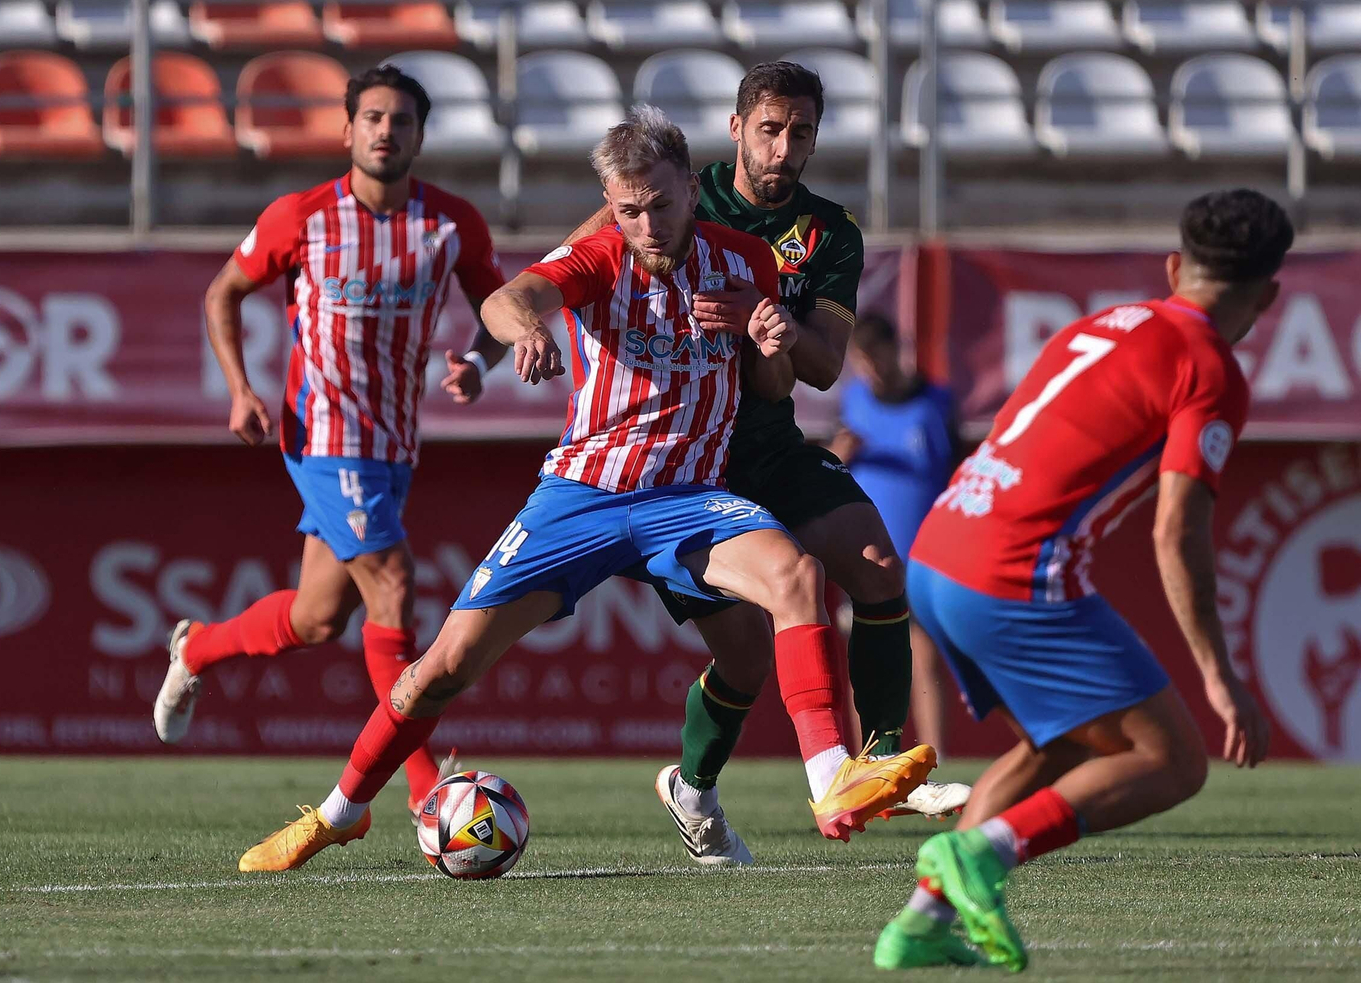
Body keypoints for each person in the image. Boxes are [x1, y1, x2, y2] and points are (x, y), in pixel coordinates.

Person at [233, 105, 934, 873]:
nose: (647, 224)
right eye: (628, 209)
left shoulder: (745, 264)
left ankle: (833, 779)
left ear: (690, 192)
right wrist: (528, 330)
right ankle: (342, 811)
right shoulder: (601, 258)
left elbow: (767, 381)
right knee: (444, 666)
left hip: (686, 498)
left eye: (661, 205)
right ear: (612, 202)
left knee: (795, 579)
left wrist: (770, 342)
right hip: (582, 495)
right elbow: (510, 298)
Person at [873, 189, 1287, 971]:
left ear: (1174, 268)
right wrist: (1220, 676)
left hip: (938, 547)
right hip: (1011, 571)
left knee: (1059, 744)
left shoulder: (1099, 324)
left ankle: (922, 923)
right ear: (1267, 297)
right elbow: (1177, 529)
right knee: (1172, 760)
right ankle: (985, 854)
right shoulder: (1211, 368)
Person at [566, 62, 963, 847]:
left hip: (767, 441)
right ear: (738, 127)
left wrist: (764, 311)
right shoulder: (674, 191)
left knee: (880, 568)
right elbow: (568, 268)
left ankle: (880, 762)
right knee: (744, 662)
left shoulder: (829, 233)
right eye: (771, 128)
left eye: (802, 132)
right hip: (682, 462)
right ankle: (692, 785)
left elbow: (822, 366)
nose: (784, 147)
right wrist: (511, 344)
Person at [151, 65, 508, 821]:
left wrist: (479, 359)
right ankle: (422, 792)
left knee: (318, 618)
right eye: (372, 118)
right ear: (347, 131)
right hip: (321, 433)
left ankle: (199, 649)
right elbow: (224, 291)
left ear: (419, 135)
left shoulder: (451, 225)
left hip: (393, 443)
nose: (386, 131)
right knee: (395, 583)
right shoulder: (302, 217)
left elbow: (500, 308)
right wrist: (241, 390)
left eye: (401, 120)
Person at [831, 314, 958, 759]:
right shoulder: (853, 405)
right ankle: (864, 759)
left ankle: (932, 758)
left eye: (877, 357)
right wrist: (838, 456)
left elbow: (955, 472)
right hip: (867, 557)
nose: (873, 369)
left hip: (924, 557)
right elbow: (829, 469)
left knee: (922, 657)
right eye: (863, 362)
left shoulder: (935, 402)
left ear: (894, 350)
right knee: (864, 661)